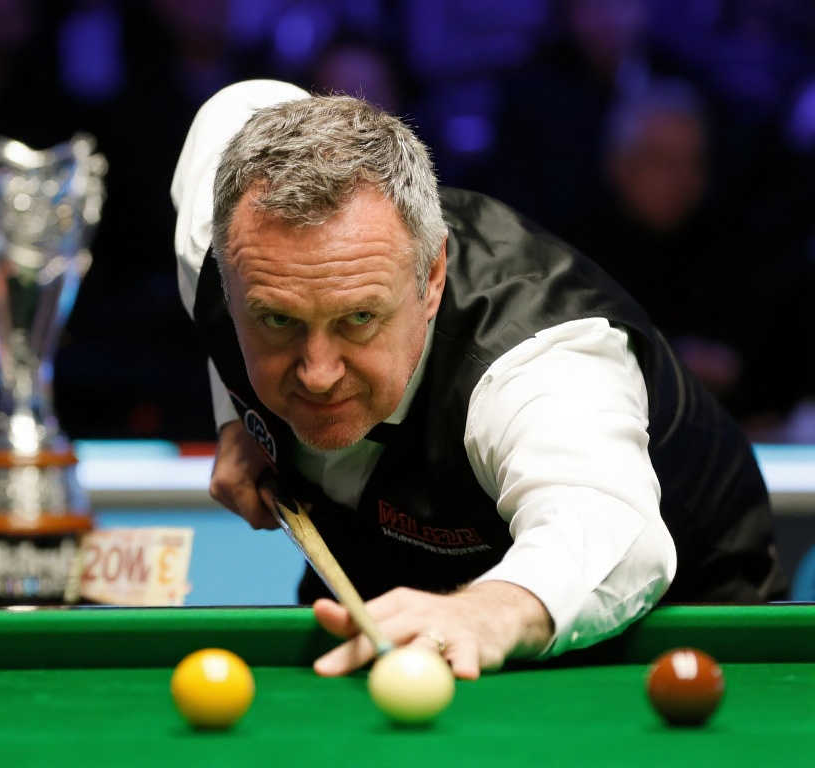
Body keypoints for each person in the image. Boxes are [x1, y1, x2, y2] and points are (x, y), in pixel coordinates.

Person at [170, 80, 785, 680]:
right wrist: (238, 417)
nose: (318, 374)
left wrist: (489, 613)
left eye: (358, 319)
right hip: (384, 586)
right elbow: (238, 102)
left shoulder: (536, 363)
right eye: (278, 321)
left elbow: (609, 531)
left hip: (667, 625)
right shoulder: (227, 236)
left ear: (432, 278)